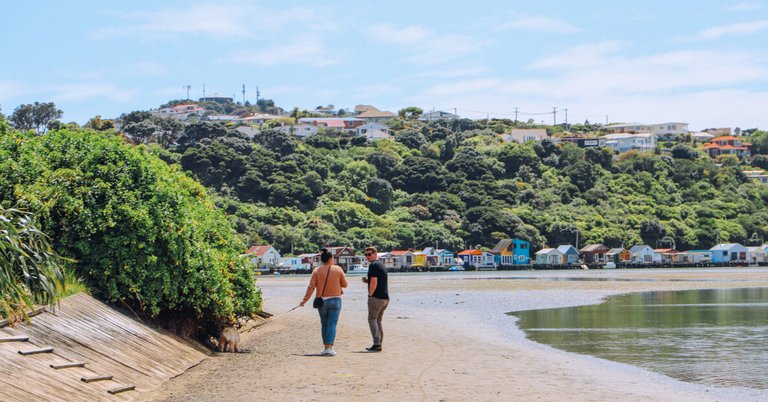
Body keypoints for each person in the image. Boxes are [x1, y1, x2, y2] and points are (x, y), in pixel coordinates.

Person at [300, 249, 348, 356]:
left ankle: (326, 348)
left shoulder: (317, 270)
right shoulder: (338, 269)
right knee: (332, 324)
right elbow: (345, 284)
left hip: (322, 301)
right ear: (331, 259)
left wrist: (304, 301)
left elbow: (311, 287)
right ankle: (330, 348)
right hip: (335, 300)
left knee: (324, 324)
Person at [362, 246, 388, 352]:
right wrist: (367, 281)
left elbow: (374, 281)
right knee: (378, 320)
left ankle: (377, 344)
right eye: (366, 255)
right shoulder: (381, 264)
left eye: (369, 254)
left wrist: (370, 295)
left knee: (372, 319)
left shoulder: (373, 265)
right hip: (385, 298)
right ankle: (379, 343)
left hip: (376, 298)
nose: (367, 257)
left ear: (375, 254)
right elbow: (378, 280)